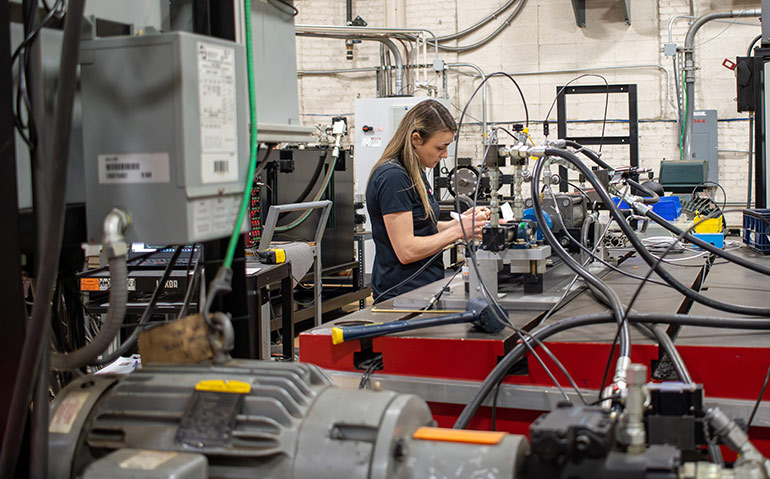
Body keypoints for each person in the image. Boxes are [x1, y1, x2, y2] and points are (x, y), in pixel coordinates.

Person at [366, 99, 489, 302]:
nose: (445, 154)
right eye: (440, 147)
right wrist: (458, 232)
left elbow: (422, 226)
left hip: (422, 289)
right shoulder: (393, 177)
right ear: (416, 139)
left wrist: (459, 223)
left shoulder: (416, 171)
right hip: (400, 295)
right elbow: (406, 250)